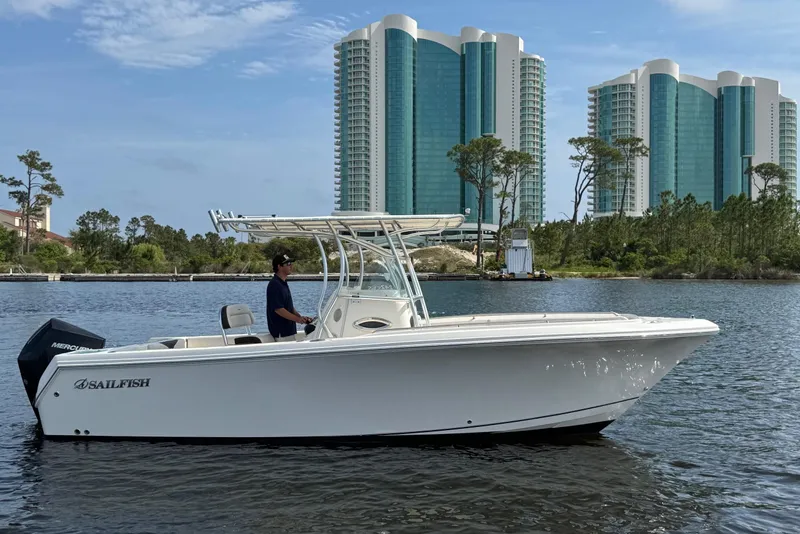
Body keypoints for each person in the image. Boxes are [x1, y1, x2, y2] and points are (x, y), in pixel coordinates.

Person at [267, 253, 313, 342]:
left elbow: (288, 306)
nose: (291, 266)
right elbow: (279, 309)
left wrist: (301, 318)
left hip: (288, 331)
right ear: (279, 266)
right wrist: (298, 319)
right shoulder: (275, 285)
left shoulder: (283, 283)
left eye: (291, 263)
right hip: (282, 332)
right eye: (288, 264)